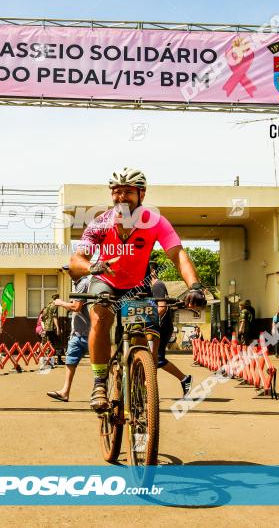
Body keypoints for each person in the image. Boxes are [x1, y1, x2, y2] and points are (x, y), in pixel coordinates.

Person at [68, 167, 206, 411]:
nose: (121, 197)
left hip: (137, 287)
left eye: (128, 192)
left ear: (141, 194)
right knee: (99, 313)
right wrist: (94, 267)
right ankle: (100, 382)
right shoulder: (100, 224)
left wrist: (195, 286)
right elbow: (75, 262)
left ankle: (139, 385)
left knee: (140, 338)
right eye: (117, 192)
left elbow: (178, 255)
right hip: (106, 281)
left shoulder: (156, 223)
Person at [148, 262, 193, 398]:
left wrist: (149, 321)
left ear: (152, 272)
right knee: (154, 359)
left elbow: (162, 307)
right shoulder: (149, 287)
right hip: (155, 327)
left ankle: (150, 390)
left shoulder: (157, 285)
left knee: (156, 359)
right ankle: (184, 379)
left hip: (161, 327)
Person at [47, 266, 91, 402]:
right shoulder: (79, 284)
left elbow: (76, 307)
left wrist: (60, 303)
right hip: (78, 332)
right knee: (70, 361)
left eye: (71, 270)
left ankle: (111, 392)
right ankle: (65, 392)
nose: (69, 273)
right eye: (68, 271)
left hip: (88, 333)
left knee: (103, 365)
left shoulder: (84, 283)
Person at [39, 294, 62, 367]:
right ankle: (54, 361)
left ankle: (48, 361)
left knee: (48, 344)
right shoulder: (55, 306)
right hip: (52, 328)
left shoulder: (48, 306)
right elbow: (55, 317)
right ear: (57, 299)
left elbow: (42, 317)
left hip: (47, 328)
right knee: (57, 344)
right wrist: (58, 328)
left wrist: (45, 326)